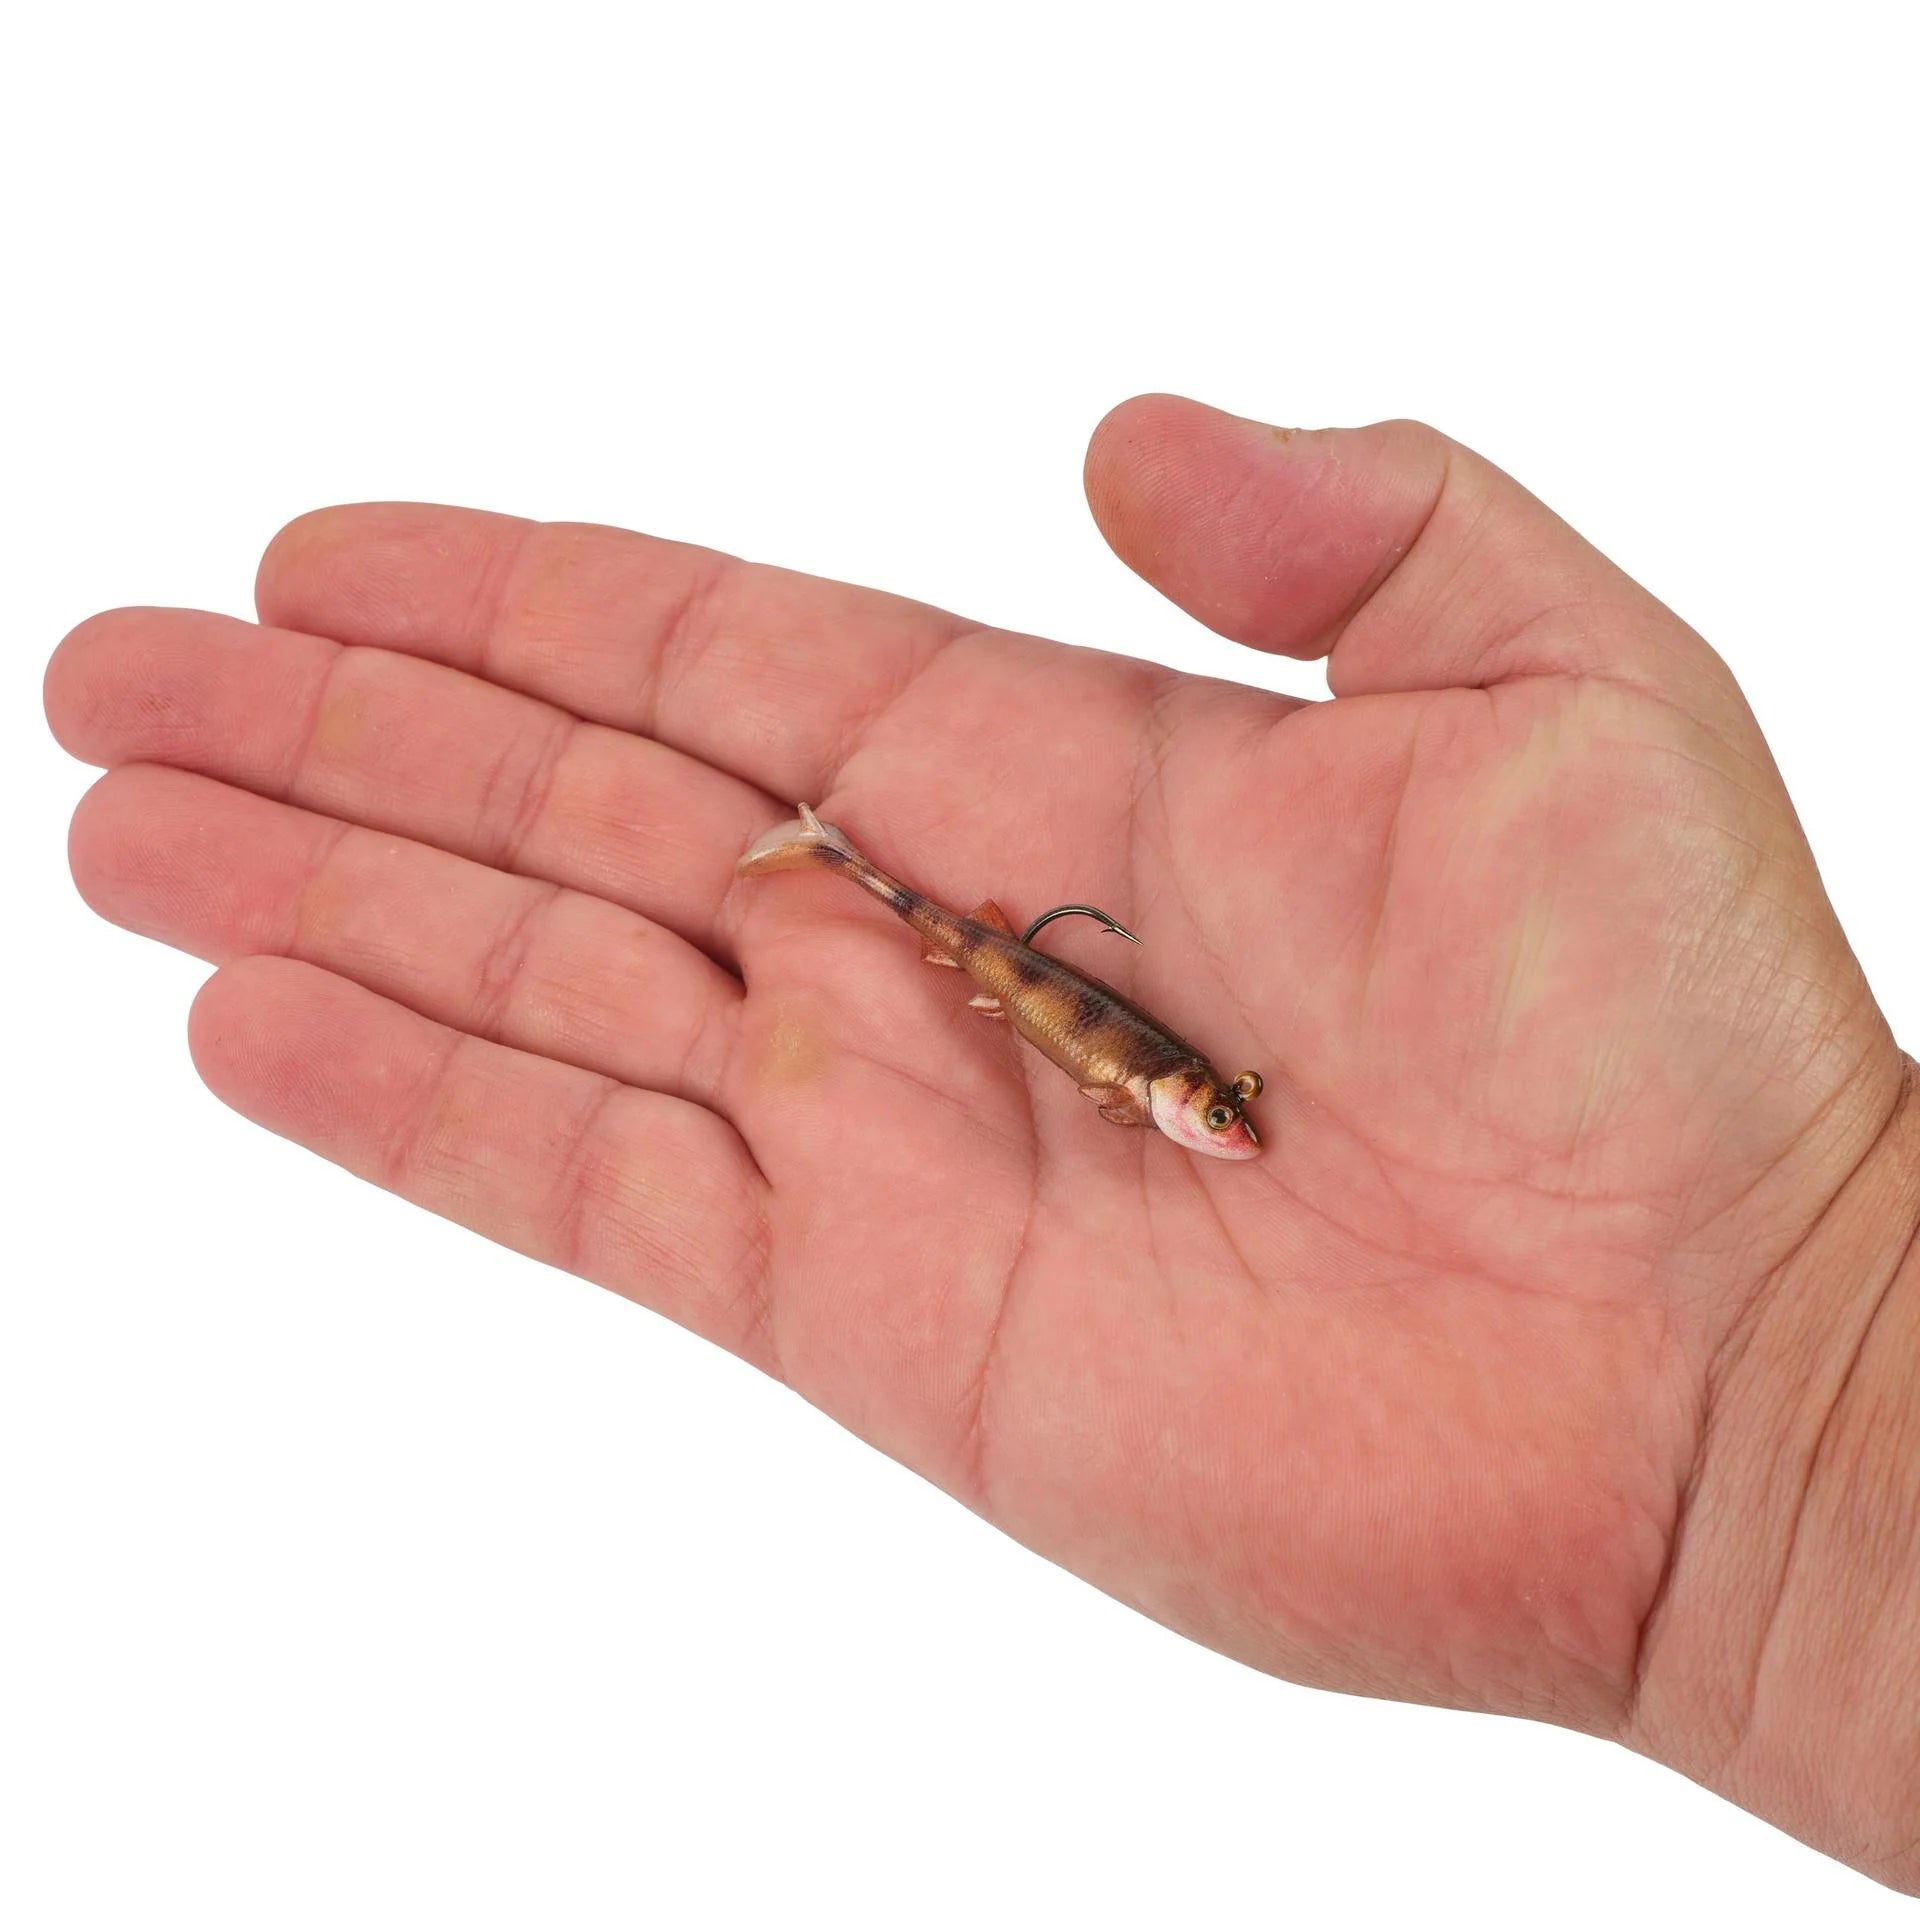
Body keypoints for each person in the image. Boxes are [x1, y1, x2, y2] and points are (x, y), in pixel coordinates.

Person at [42, 393, 1919, 1892]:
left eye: (1213, 1113)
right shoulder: (1102, 1044)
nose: (1219, 1123)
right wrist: (1798, 1383)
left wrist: (1804, 1355)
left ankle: (833, 865)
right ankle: (835, 867)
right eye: (1213, 1108)